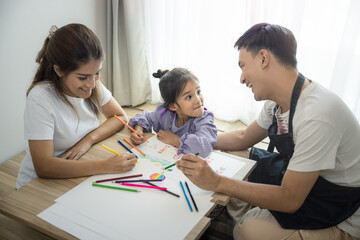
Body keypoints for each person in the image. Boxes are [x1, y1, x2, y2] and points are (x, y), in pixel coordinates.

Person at [177, 23, 360, 240]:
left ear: (263, 58)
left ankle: (253, 220)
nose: (242, 78)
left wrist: (217, 182)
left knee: (247, 230)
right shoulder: (278, 101)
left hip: (337, 206)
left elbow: (290, 199)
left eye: (243, 66)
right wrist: (192, 139)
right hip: (301, 178)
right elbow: (244, 138)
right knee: (232, 157)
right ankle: (257, 214)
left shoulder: (316, 115)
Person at [16, 24, 137, 189]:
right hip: (37, 185)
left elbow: (120, 117)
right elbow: (43, 167)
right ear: (59, 70)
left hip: (78, 168)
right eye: (83, 77)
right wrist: (106, 166)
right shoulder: (41, 98)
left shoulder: (92, 84)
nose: (93, 84)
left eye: (97, 73)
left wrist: (87, 141)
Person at [128, 68, 217, 157]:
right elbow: (145, 117)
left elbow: (204, 148)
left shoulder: (204, 118)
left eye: (198, 92)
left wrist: (176, 140)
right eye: (189, 97)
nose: (198, 100)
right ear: (173, 106)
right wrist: (138, 130)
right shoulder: (164, 113)